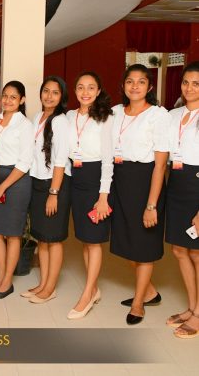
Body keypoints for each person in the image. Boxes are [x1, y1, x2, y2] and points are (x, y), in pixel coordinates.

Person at [110, 63, 170, 325]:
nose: (135, 86)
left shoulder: (158, 115)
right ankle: (150, 292)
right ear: (123, 85)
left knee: (143, 246)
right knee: (126, 243)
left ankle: (138, 303)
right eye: (130, 81)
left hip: (145, 181)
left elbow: (160, 165)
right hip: (120, 181)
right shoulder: (115, 112)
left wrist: (151, 205)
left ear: (150, 86)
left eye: (141, 82)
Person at [65, 72, 113, 319]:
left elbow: (108, 161)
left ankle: (87, 294)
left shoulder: (106, 118)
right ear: (75, 90)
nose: (86, 92)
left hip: (96, 180)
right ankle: (93, 288)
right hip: (76, 179)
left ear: (98, 90)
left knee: (94, 241)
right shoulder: (69, 116)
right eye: (81, 87)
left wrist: (103, 196)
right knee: (85, 238)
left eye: (91, 87)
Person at [0, 81, 33, 299]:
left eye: (13, 97)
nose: (8, 100)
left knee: (12, 234)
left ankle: (8, 281)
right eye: (5, 96)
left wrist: (2, 187)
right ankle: (0, 277)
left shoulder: (25, 125)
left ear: (22, 100)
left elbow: (25, 161)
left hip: (16, 181)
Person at [22, 76, 70, 304]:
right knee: (41, 237)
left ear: (62, 97)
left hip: (55, 184)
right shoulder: (37, 117)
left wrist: (54, 193)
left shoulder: (60, 121)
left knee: (54, 239)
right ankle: (42, 284)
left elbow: (60, 160)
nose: (49, 96)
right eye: (46, 91)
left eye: (55, 92)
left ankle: (50, 288)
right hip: (37, 181)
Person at [164, 61, 199, 338]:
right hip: (175, 183)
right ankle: (192, 307)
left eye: (196, 84)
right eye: (186, 82)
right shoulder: (173, 114)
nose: (189, 88)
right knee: (179, 250)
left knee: (197, 253)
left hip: (196, 186)